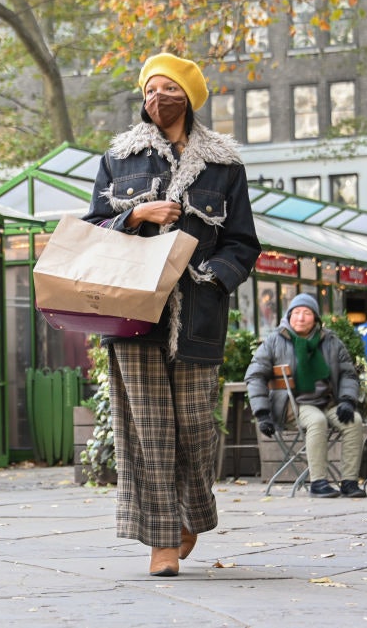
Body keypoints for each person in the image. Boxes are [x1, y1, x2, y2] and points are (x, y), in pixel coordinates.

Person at [81, 52, 260, 577]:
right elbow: (93, 229)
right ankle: (161, 541)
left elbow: (244, 243)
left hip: (198, 316)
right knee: (150, 431)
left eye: (170, 89)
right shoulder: (119, 157)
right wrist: (136, 214)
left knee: (196, 429)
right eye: (150, 89)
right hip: (132, 315)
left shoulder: (225, 164)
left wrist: (210, 275)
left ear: (189, 97)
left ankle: (193, 515)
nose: (158, 98)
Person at [245, 293, 366, 499]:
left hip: (328, 402)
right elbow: (255, 375)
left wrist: (347, 400)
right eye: (296, 313)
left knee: (354, 421)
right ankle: (318, 482)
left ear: (316, 319)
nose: (300, 318)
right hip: (293, 406)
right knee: (317, 421)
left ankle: (349, 481)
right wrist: (262, 413)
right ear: (289, 316)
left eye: (307, 313)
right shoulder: (274, 340)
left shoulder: (331, 341)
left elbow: (348, 374)